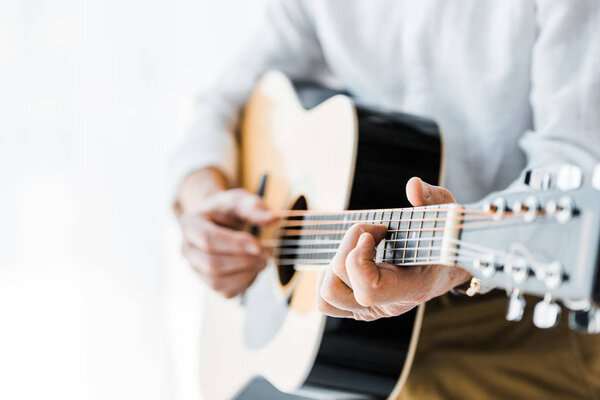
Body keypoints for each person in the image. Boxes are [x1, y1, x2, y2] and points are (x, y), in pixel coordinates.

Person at [172, 1, 600, 399]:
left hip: (524, 304)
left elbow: (571, 169)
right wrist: (203, 202)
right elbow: (220, 107)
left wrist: (455, 264)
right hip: (360, 325)